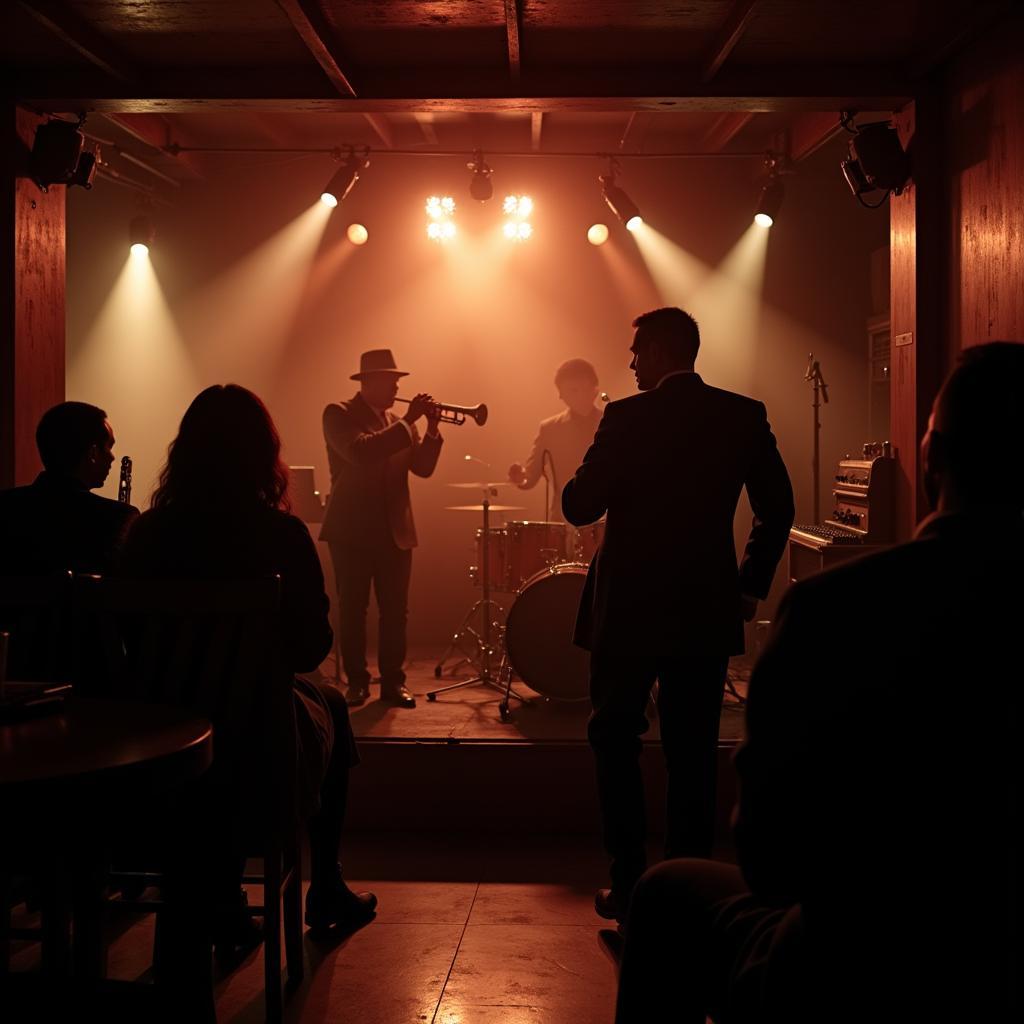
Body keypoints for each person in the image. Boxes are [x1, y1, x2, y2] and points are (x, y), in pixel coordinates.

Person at [614, 341, 1022, 1023]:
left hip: (858, 962)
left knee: (664, 894)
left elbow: (769, 859)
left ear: (930, 462)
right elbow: (777, 508)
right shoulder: (738, 416)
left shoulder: (835, 609)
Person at [562, 307, 795, 925]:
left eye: (638, 352)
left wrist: (594, 463)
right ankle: (685, 894)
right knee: (692, 749)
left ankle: (629, 883)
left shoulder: (625, 417)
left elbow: (580, 506)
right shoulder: (742, 414)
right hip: (702, 605)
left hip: (629, 607)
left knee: (615, 739)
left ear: (662, 352)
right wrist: (748, 586)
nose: (632, 362)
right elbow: (779, 508)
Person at [120, 384, 376, 943]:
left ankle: (223, 897)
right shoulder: (282, 535)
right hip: (256, 750)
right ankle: (325, 883)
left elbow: (126, 641)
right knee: (330, 700)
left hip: (160, 747)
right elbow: (310, 650)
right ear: (264, 454)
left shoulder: (145, 535)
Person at [320, 348, 443, 708]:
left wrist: (432, 428)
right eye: (391, 381)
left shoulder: (396, 421)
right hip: (352, 531)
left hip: (395, 531)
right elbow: (361, 451)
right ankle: (357, 681)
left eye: (398, 381)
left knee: (395, 612)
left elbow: (422, 468)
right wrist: (408, 421)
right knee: (353, 608)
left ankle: (393, 683)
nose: (396, 387)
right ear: (368, 382)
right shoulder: (339, 414)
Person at [0, 400, 138, 575]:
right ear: (93, 453)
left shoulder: (5, 507)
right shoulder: (118, 517)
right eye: (109, 447)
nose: (112, 457)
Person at [508, 358, 604, 521]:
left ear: (593, 389)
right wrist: (519, 478)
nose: (562, 397)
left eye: (572, 390)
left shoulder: (611, 422)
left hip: (605, 519)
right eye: (562, 392)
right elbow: (530, 477)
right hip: (563, 521)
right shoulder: (549, 428)